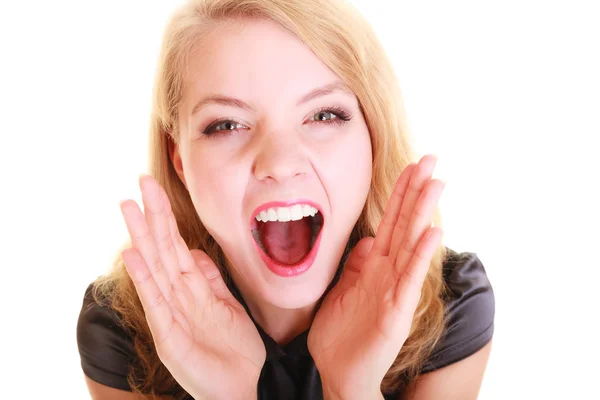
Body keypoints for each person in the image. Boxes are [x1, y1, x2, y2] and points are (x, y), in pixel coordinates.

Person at [76, 0, 495, 398]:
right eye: (226, 124)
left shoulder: (453, 306)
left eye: (324, 114)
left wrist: (351, 391)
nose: (280, 162)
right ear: (180, 160)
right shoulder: (120, 327)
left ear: (373, 136)